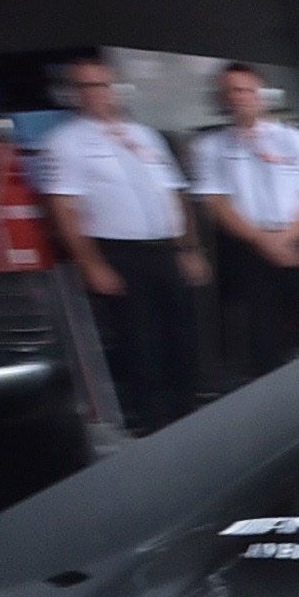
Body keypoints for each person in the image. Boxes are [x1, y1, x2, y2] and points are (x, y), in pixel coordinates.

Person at [36, 56, 204, 430]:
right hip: (117, 250)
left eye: (103, 85)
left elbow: (174, 194)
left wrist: (188, 248)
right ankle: (154, 420)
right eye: (87, 86)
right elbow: (64, 207)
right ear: (73, 93)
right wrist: (91, 263)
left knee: (181, 331)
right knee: (138, 340)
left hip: (164, 248)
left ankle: (189, 409)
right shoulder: (65, 142)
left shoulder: (145, 136)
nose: (97, 93)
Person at [190, 63, 299, 381]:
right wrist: (264, 241)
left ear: (262, 95)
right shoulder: (209, 147)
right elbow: (215, 203)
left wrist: (286, 239)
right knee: (263, 335)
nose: (240, 98)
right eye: (232, 91)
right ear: (221, 98)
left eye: (247, 90)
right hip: (248, 248)